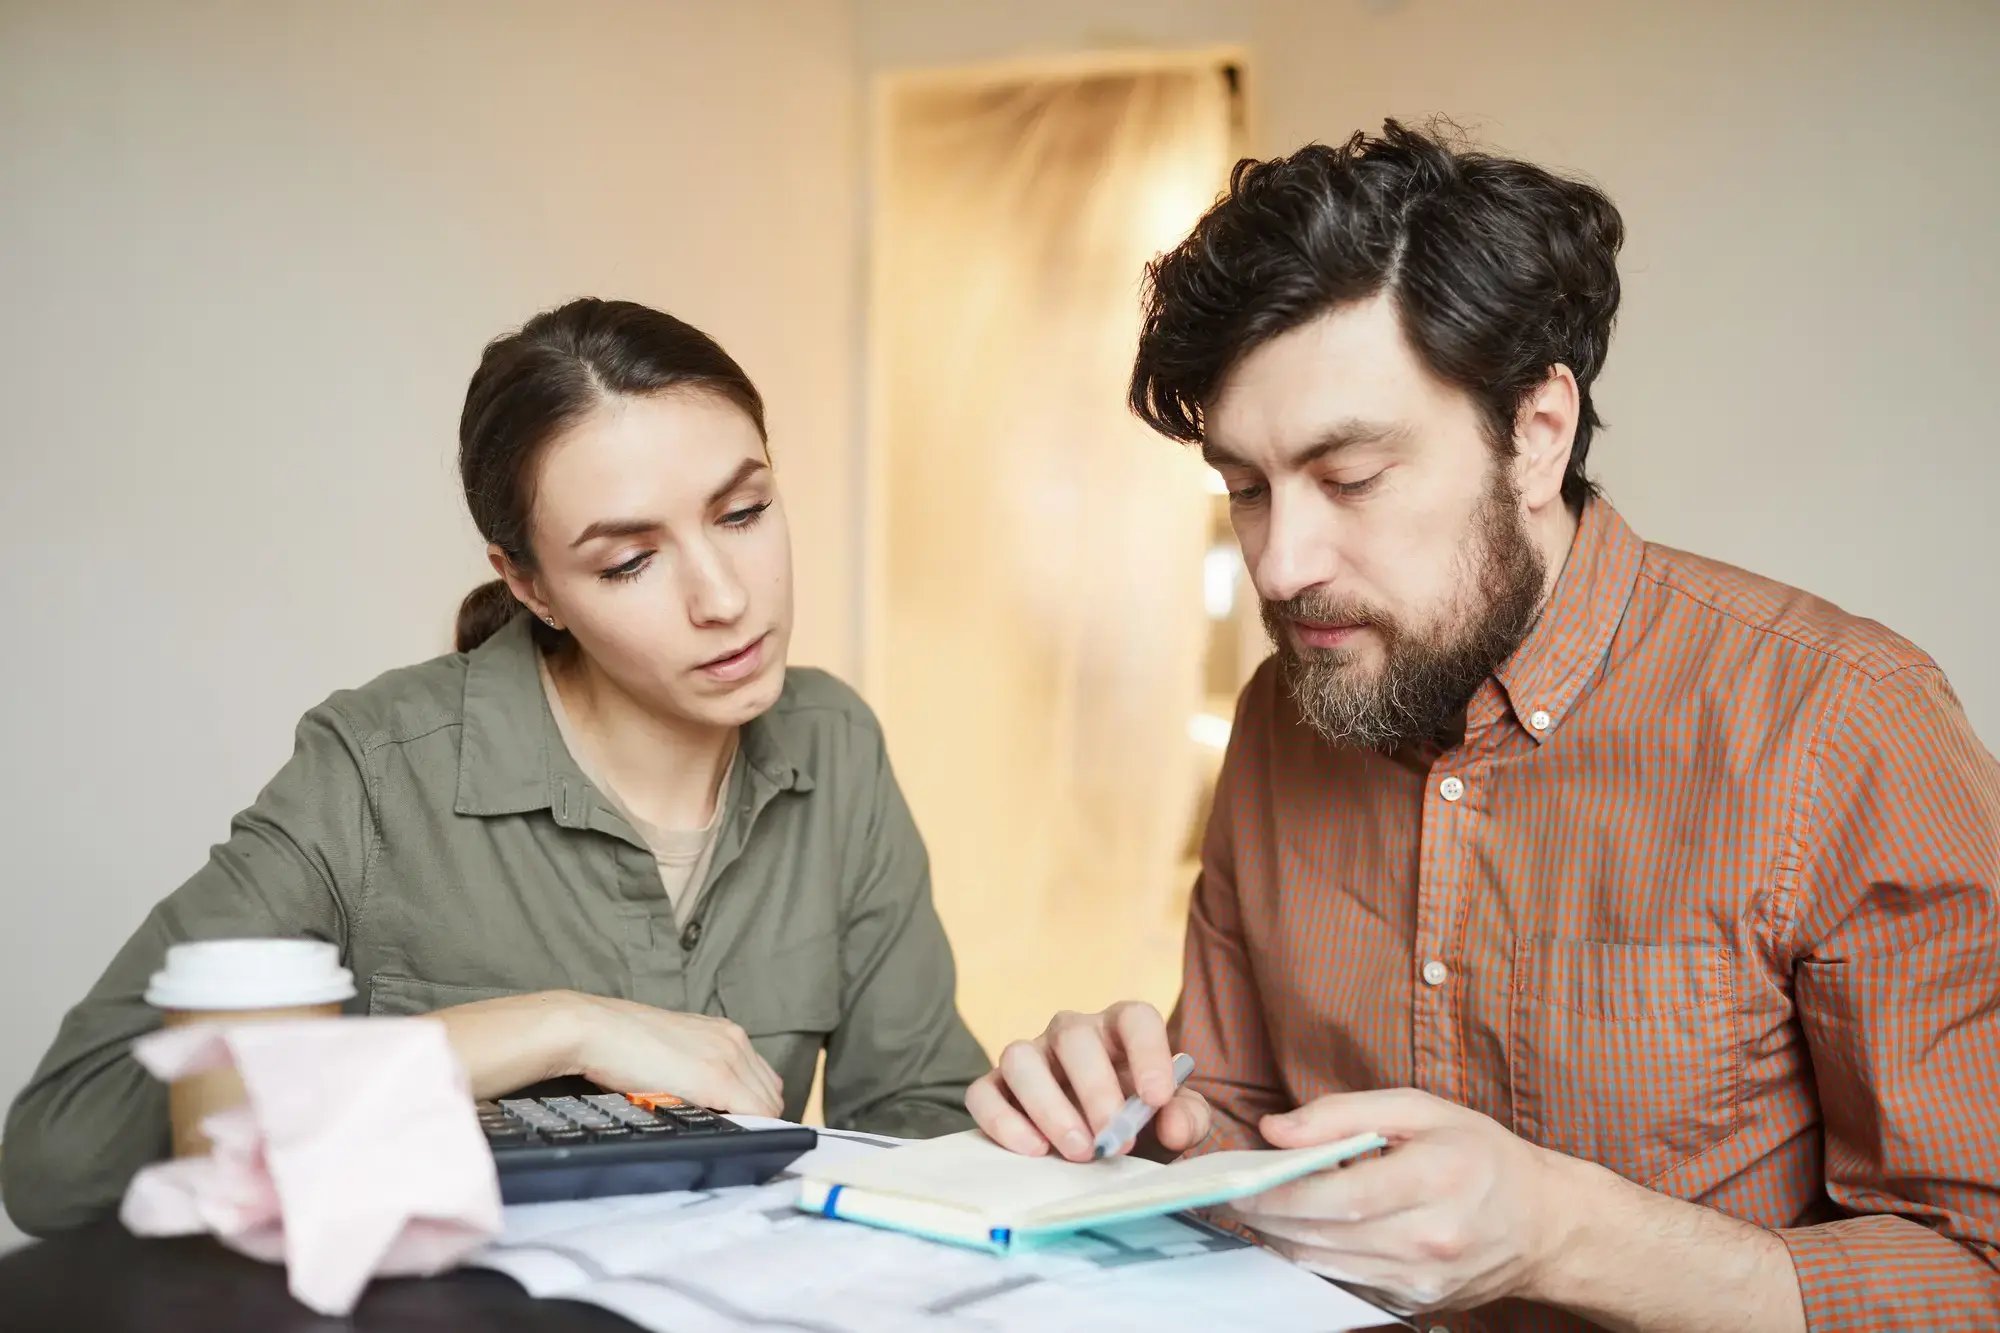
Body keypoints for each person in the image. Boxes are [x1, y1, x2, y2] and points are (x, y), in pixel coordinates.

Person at [968, 123, 2000, 1330]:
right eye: (1243, 489)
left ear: (1534, 432)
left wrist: (1563, 1233)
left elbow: (1974, 1268)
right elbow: (1236, 1137)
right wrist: (1127, 1128)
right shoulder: (1283, 708)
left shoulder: (1842, 725)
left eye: (1348, 479)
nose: (1281, 563)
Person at [4, 298, 989, 1236]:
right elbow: (59, 1156)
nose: (724, 598)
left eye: (741, 511)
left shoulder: (835, 742)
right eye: (628, 562)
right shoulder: (377, 769)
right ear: (530, 584)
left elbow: (917, 1120)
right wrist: (558, 1028)